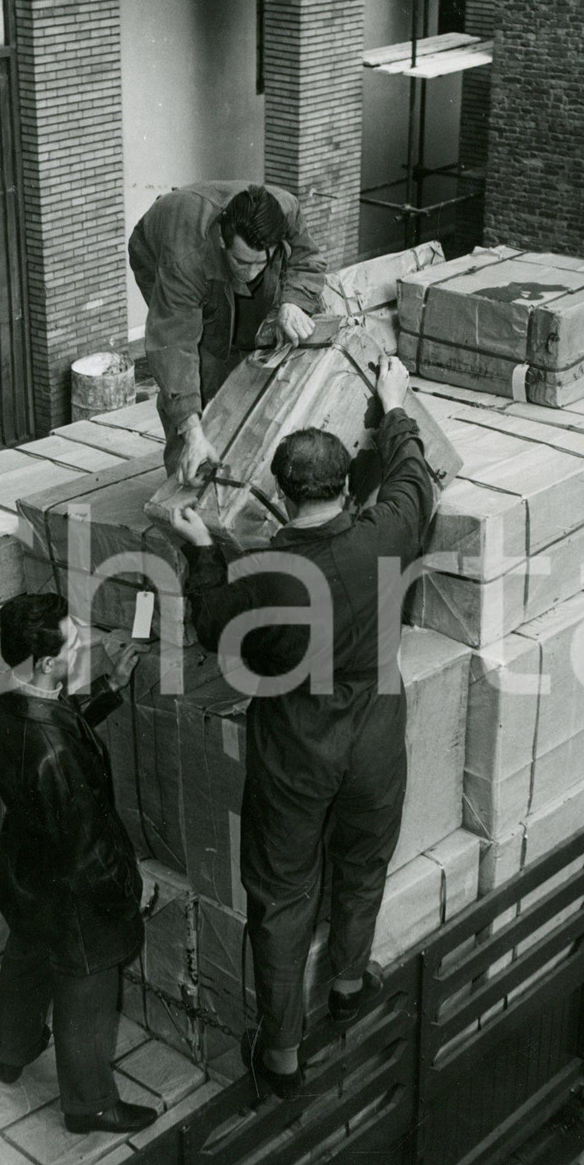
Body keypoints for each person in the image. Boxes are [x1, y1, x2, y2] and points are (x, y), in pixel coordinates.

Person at [167, 355, 436, 1100]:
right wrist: (393, 405)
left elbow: (216, 631)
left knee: (283, 894)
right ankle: (348, 983)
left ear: (282, 496)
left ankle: (282, 1054)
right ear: (347, 487)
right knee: (363, 859)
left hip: (296, 742)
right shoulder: (389, 531)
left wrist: (200, 551)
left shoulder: (264, 575)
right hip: (374, 730)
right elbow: (414, 476)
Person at [0, 595, 158, 1135]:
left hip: (26, 864)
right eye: (73, 646)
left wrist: (110, 686)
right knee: (87, 986)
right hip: (73, 886)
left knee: (28, 952)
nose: (83, 649)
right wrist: (131, 888)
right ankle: (89, 1105)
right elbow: (88, 850)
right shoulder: (52, 752)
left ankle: (13, 1051)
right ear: (45, 662)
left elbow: (53, 719)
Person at [128, 180, 327, 484]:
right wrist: (192, 432)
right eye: (241, 261)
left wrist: (294, 302)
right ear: (222, 240)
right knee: (204, 358)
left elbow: (308, 260)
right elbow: (174, 343)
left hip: (223, 254)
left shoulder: (286, 210)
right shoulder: (184, 258)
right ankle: (189, 468)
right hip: (161, 253)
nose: (249, 273)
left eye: (259, 262)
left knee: (258, 340)